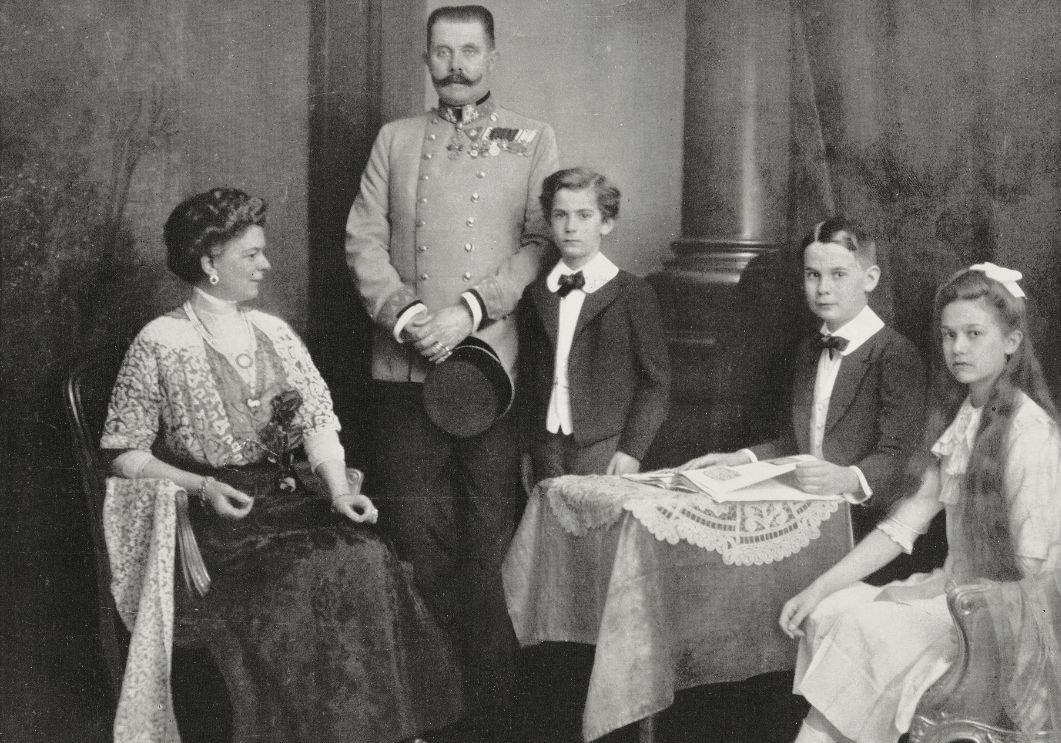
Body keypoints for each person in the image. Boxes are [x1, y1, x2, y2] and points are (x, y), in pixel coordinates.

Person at [101, 187, 460, 743]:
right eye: (251, 254)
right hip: (221, 525)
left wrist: (339, 492)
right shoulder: (160, 341)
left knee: (366, 555)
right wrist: (202, 486)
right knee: (309, 576)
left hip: (287, 502)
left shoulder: (273, 332)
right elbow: (126, 454)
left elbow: (317, 421)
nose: (266, 264)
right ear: (208, 262)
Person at [343, 4, 558, 736]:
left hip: (488, 375)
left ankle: (493, 716)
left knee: (490, 543)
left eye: (470, 51)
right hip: (404, 375)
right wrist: (406, 317)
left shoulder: (533, 140)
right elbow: (362, 241)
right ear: (426, 59)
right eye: (442, 52)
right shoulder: (395, 140)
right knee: (412, 541)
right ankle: (430, 712)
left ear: (492, 56)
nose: (456, 65)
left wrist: (470, 310)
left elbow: (538, 243)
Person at [778, 264, 1061, 743]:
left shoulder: (1029, 433)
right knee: (828, 611)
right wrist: (816, 588)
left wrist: (937, 593)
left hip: (1002, 625)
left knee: (869, 632)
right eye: (948, 335)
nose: (957, 348)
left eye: (974, 334)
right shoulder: (969, 415)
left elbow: (1031, 574)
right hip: (960, 599)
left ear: (1011, 341)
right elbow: (903, 525)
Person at [680, 218, 926, 530]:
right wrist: (742, 458)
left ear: (870, 278)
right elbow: (801, 443)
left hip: (865, 519)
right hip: (809, 509)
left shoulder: (895, 354)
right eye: (813, 275)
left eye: (838, 275)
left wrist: (848, 478)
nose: (823, 289)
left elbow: (898, 454)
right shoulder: (809, 350)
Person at [518, 167, 670, 479]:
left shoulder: (633, 293)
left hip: (604, 446)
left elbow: (656, 382)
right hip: (545, 446)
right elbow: (529, 376)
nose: (570, 227)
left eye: (584, 216)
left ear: (607, 223)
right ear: (549, 221)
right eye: (560, 215)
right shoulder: (536, 294)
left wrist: (632, 451)